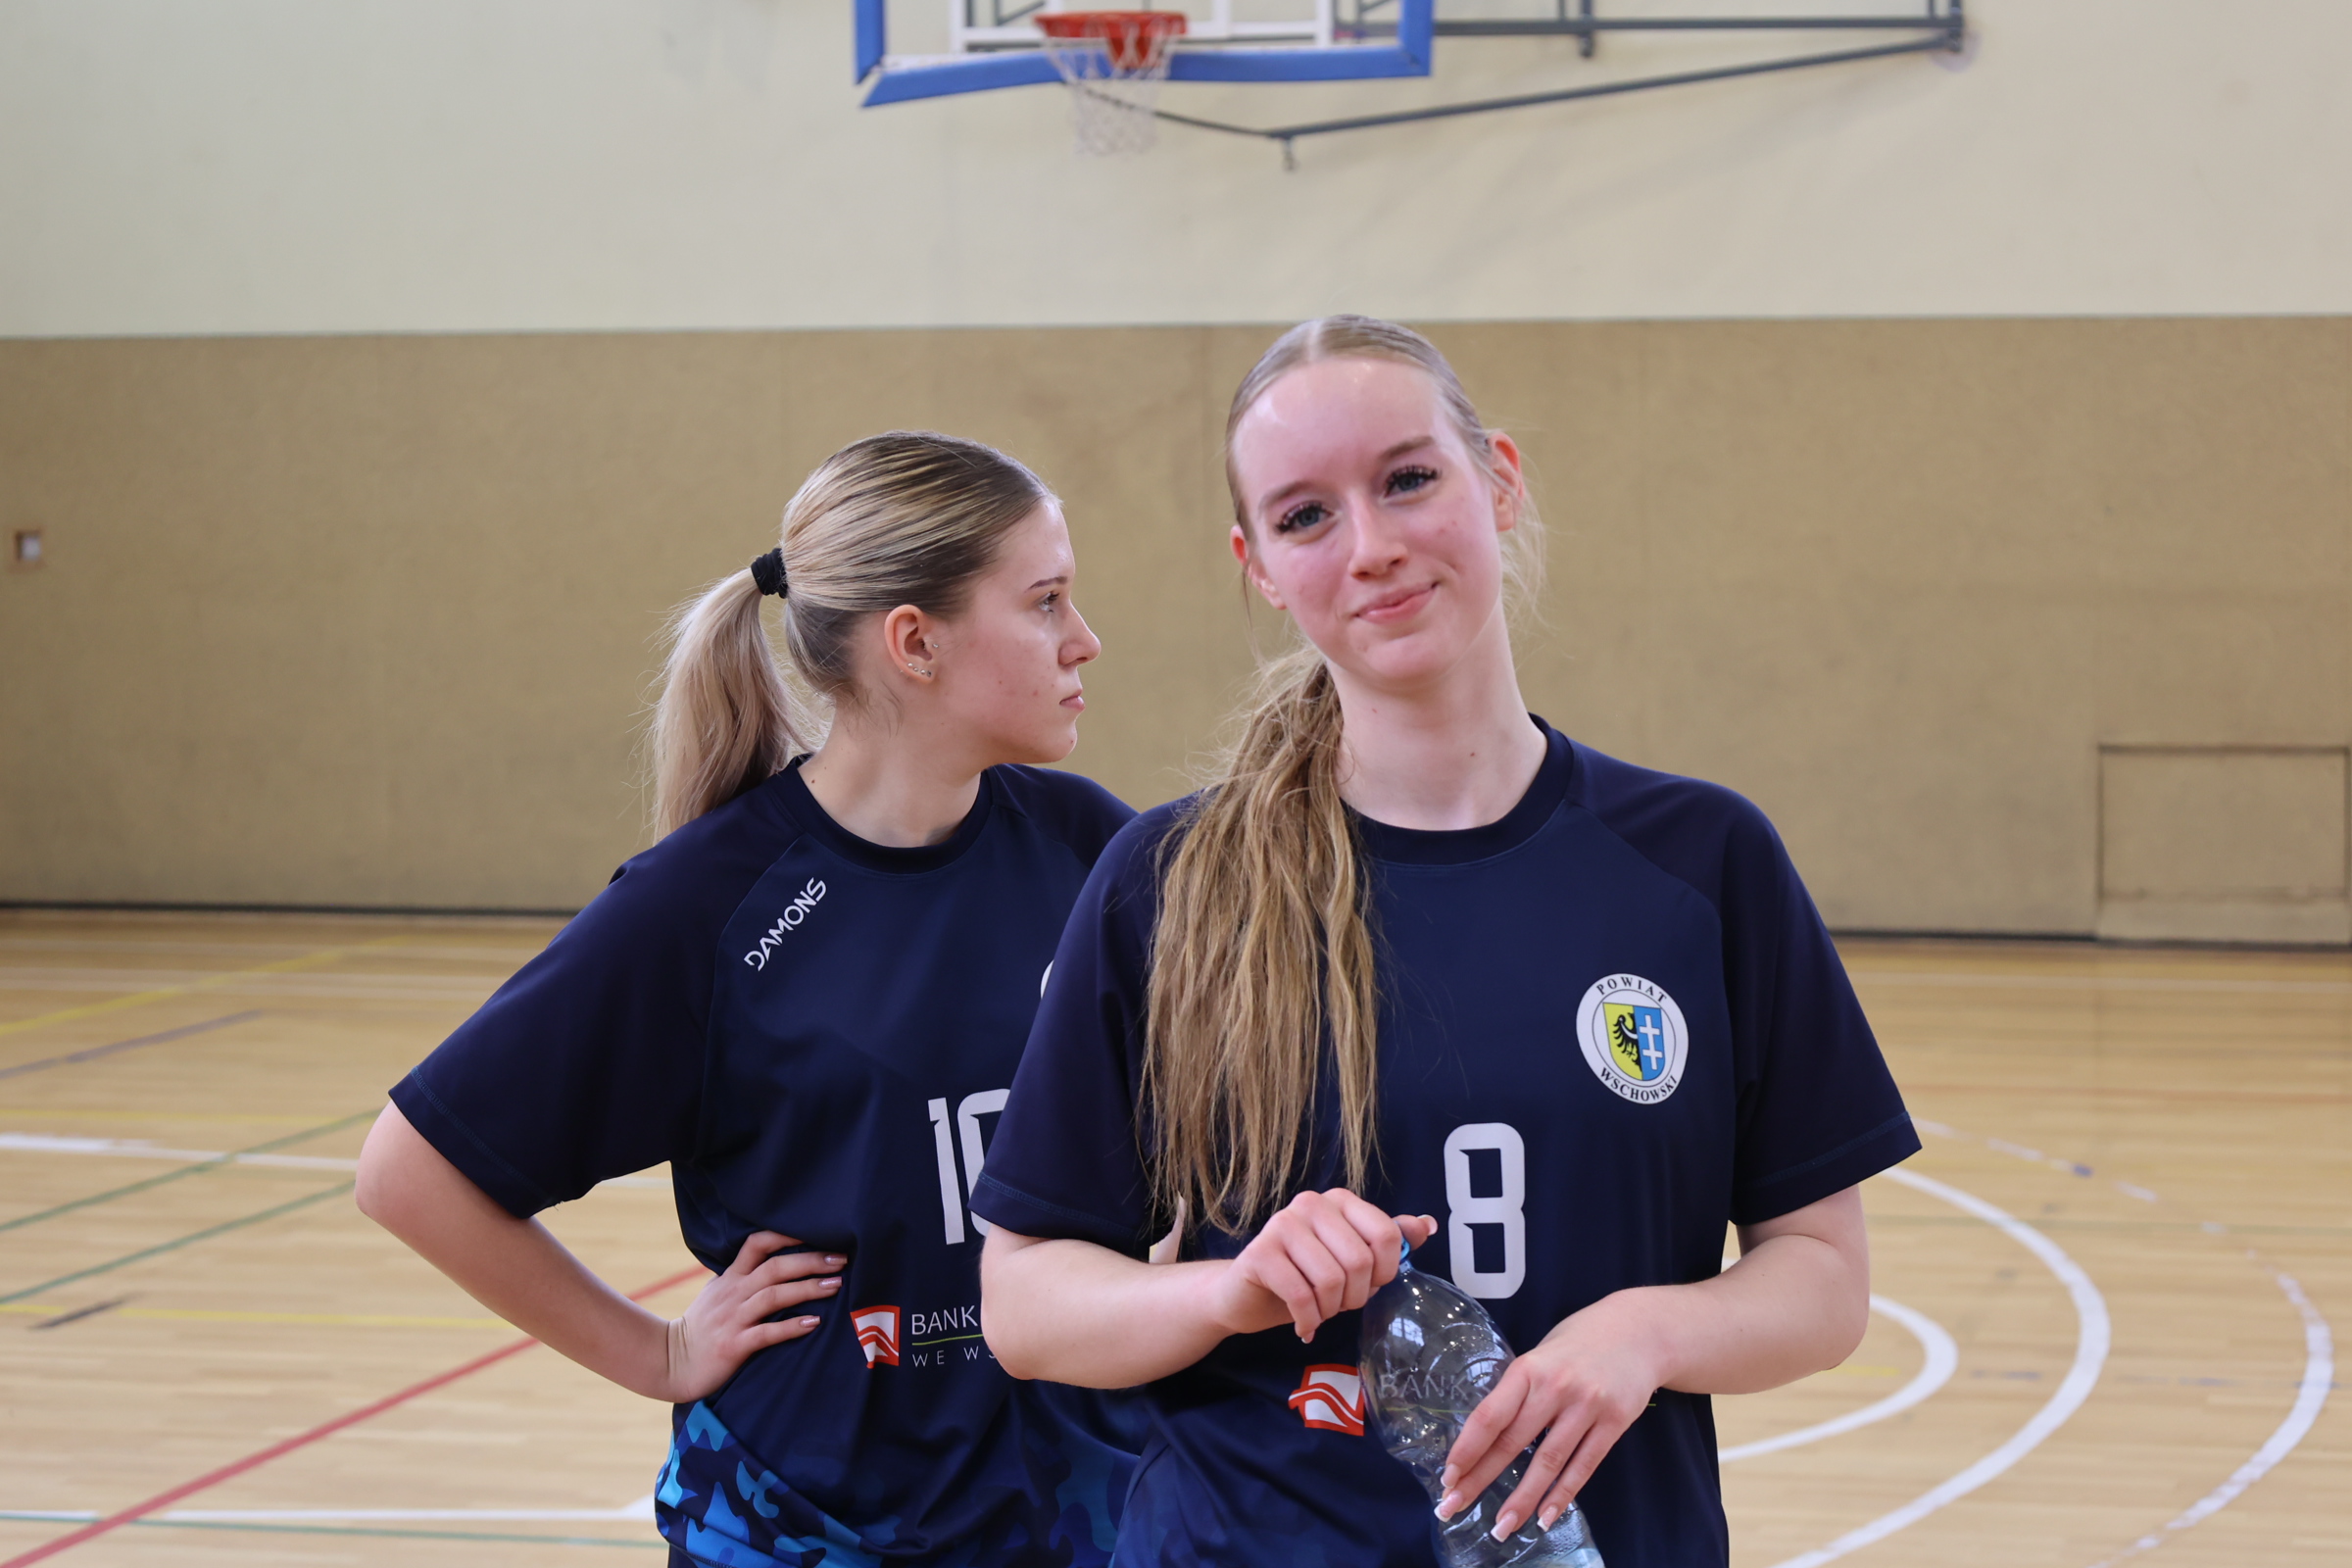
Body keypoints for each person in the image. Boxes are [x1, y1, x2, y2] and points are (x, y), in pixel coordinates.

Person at [972, 318, 1919, 1568]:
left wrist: (1646, 1332)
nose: (1371, 545)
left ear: (1500, 481)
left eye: (1408, 478)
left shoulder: (1702, 864)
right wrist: (1228, 1290)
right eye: (1307, 516)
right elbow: (1026, 1301)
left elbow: (1822, 1281)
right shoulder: (1171, 883)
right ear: (1261, 566)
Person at [355, 430, 1138, 1567]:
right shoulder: (710, 904)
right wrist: (660, 1352)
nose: (1084, 638)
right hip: (811, 1523)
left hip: (1068, 1513)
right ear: (915, 642)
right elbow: (410, 1172)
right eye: (1045, 601)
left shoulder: (1090, 846)